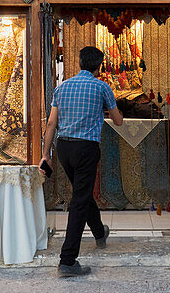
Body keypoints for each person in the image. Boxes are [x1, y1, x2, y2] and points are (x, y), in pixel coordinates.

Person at [41, 45, 124, 277]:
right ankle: (67, 260)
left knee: (82, 193)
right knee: (79, 201)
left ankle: (99, 233)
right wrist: (114, 112)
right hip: (86, 148)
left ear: (79, 62)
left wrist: (45, 154)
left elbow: (50, 124)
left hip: (64, 147)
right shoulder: (102, 87)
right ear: (99, 66)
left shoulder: (63, 87)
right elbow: (118, 121)